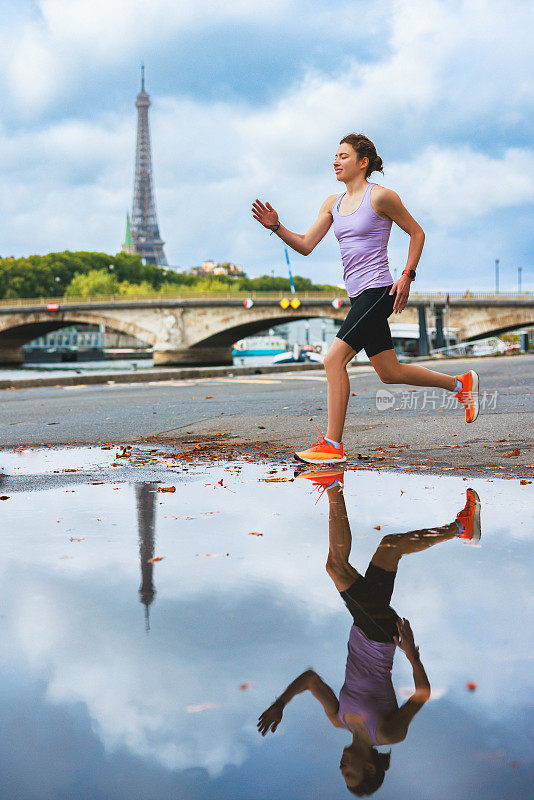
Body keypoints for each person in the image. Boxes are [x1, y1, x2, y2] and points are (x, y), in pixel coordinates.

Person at [252, 134, 479, 464]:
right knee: (389, 371)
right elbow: (305, 244)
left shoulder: (382, 197)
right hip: (358, 295)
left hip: (378, 290)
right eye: (335, 155)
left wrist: (407, 274)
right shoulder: (332, 203)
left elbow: (417, 232)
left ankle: (332, 444)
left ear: (363, 162)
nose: (336, 161)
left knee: (333, 360)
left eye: (343, 156)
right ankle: (460, 384)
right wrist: (276, 227)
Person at [257, 473, 481, 795]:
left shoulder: (340, 719)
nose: (342, 769)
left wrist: (281, 703)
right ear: (370, 768)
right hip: (379, 633)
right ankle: (333, 484)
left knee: (387, 548)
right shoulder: (388, 734)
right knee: (336, 567)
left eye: (343, 776)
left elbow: (310, 680)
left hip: (365, 625)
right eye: (351, 775)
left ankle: (461, 528)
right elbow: (421, 695)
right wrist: (411, 655)